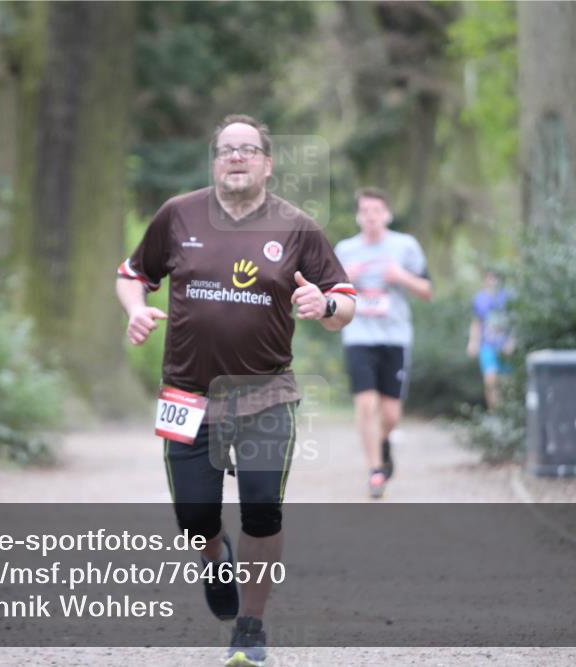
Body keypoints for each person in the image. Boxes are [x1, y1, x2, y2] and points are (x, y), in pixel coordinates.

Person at [116, 114, 356, 667]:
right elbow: (132, 273)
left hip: (265, 395)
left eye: (249, 149)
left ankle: (251, 626)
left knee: (262, 510)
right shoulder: (178, 215)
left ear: (268, 164)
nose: (237, 157)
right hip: (187, 397)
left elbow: (346, 301)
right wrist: (134, 310)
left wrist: (327, 307)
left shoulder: (297, 228)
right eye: (227, 149)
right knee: (195, 520)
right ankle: (214, 559)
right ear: (215, 161)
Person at [334, 188, 432, 499]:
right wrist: (344, 278)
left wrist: (400, 276)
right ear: (358, 216)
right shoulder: (345, 250)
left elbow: (427, 290)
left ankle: (382, 441)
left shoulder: (405, 246)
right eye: (365, 211)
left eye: (376, 211)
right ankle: (376, 471)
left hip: (395, 338)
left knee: (391, 416)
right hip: (358, 336)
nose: (371, 217)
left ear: (386, 214)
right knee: (365, 405)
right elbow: (328, 294)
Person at [466, 268, 513, 411]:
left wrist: (512, 340)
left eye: (495, 278)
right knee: (490, 380)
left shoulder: (508, 297)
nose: (492, 281)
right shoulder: (479, 299)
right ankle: (495, 414)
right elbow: (476, 322)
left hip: (504, 346)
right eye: (489, 278)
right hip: (487, 345)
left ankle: (507, 414)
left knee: (507, 384)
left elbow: (514, 320)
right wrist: (473, 342)